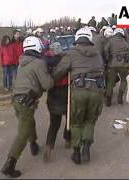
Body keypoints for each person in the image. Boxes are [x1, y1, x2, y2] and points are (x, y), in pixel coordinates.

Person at [1, 36, 54, 178]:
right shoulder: (38, 63)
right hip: (26, 101)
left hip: (16, 99)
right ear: (37, 47)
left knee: (29, 122)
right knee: (23, 132)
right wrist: (50, 72)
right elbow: (47, 84)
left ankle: (34, 144)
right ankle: (10, 163)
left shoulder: (21, 63)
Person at [52, 27, 105, 164]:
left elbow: (60, 71)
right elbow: (102, 69)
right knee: (90, 120)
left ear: (77, 39)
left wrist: (51, 79)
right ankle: (86, 147)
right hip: (96, 90)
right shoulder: (97, 53)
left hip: (79, 90)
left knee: (76, 121)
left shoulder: (71, 53)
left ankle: (76, 152)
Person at [43, 41, 71, 163]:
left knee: (54, 123)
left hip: (53, 95)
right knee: (70, 119)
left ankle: (49, 145)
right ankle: (68, 139)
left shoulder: (46, 63)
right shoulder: (66, 62)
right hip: (65, 93)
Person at [104, 28, 129, 106]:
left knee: (110, 82)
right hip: (124, 65)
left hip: (112, 64)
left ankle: (108, 100)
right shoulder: (126, 42)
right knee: (124, 81)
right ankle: (120, 97)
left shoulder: (110, 41)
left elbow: (106, 50)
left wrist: (108, 59)